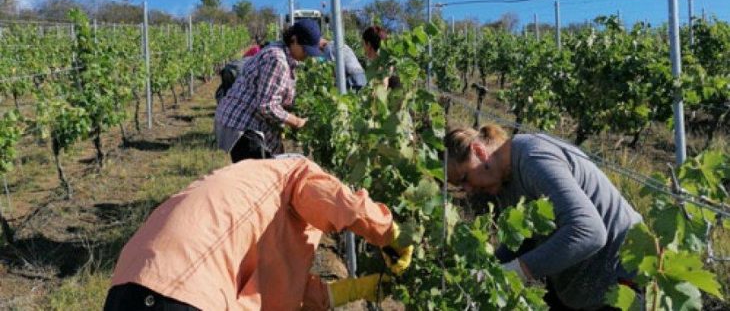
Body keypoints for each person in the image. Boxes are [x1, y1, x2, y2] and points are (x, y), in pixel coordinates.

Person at [103, 157, 414, 310]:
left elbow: (279, 293)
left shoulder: (242, 193)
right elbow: (339, 202)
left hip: (124, 291)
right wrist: (390, 234)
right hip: (182, 295)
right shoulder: (294, 173)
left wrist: (357, 290)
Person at [444, 124, 643, 310]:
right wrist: (489, 270)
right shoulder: (502, 181)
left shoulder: (533, 158)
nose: (468, 190)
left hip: (620, 278)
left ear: (479, 152)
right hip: (576, 284)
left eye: (464, 179)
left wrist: (516, 270)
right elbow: (526, 237)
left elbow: (590, 231)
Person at [215, 19, 320, 162]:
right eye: (305, 49)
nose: (307, 55)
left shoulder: (281, 51)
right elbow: (267, 106)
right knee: (256, 179)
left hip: (250, 123)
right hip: (244, 126)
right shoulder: (278, 60)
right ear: (294, 40)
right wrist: (296, 122)